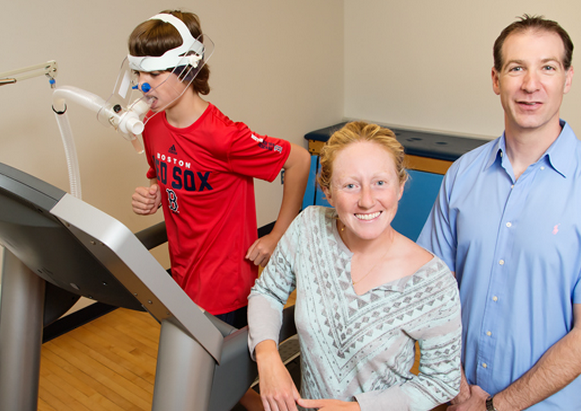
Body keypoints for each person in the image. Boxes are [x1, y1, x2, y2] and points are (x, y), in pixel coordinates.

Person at [128, 10, 311, 410]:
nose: (143, 85)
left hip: (226, 283)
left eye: (154, 75)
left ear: (187, 70)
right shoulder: (154, 127)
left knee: (215, 382)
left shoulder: (224, 136)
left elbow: (298, 161)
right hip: (182, 276)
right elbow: (170, 172)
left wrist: (277, 235)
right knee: (205, 379)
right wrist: (154, 193)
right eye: (137, 73)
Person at [417, 14, 581, 411]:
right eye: (516, 68)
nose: (530, 84)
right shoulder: (462, 174)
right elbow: (428, 292)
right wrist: (457, 389)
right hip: (456, 399)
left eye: (547, 67)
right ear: (496, 79)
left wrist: (496, 407)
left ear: (567, 78)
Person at [248, 121, 462, 411]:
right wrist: (268, 356)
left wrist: (359, 409)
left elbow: (441, 381)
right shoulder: (309, 228)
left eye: (380, 183)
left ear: (400, 187)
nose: (366, 200)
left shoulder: (432, 281)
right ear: (328, 191)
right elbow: (268, 292)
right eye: (350, 185)